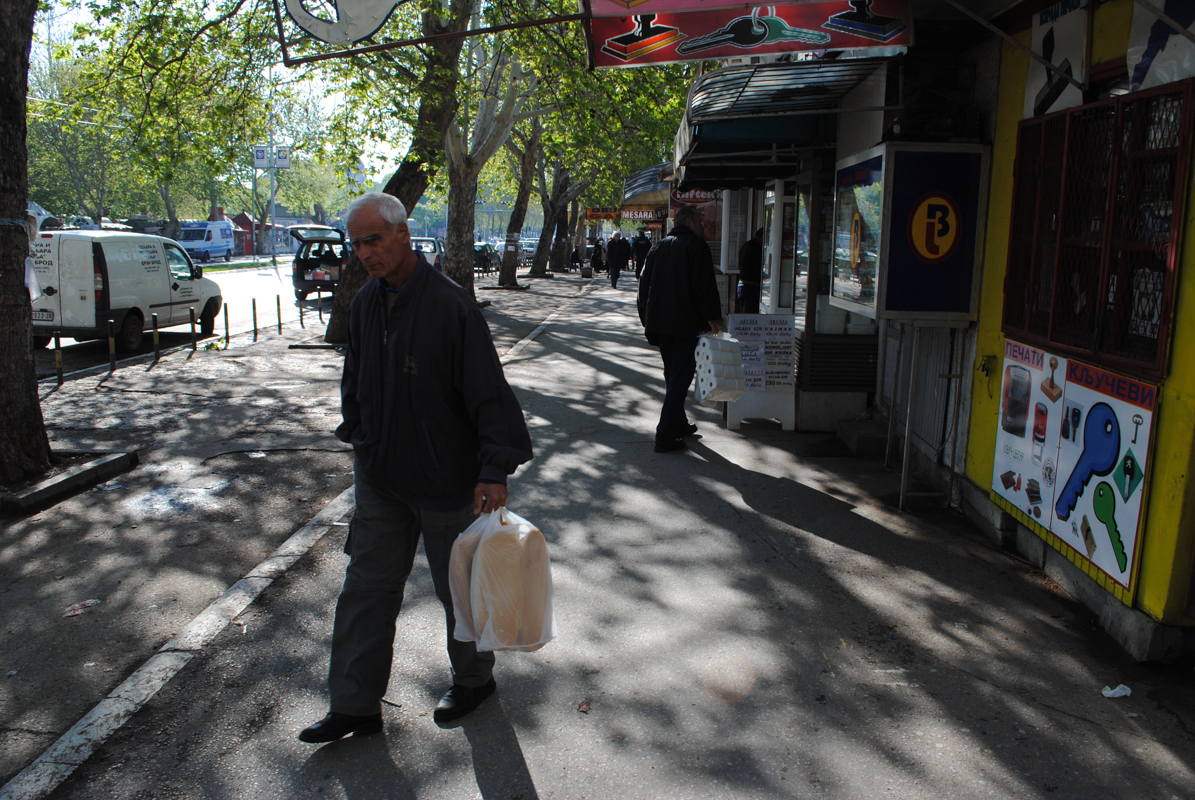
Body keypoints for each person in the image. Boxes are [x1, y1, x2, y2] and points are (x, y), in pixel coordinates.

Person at [299, 193, 534, 744]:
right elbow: (353, 385)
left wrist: (493, 470)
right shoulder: (363, 304)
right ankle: (354, 704)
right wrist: (360, 437)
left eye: (372, 240)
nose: (363, 253)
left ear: (403, 234)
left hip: (445, 479)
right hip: (381, 475)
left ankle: (474, 681)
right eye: (356, 243)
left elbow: (487, 394)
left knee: (460, 588)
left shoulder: (450, 306)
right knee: (366, 587)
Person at [637, 206, 723, 453]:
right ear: (689, 221)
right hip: (684, 325)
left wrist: (647, 318)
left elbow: (643, 285)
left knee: (672, 375)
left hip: (662, 324)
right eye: (700, 220)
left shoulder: (659, 246)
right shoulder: (695, 246)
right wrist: (713, 318)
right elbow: (703, 286)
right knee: (679, 378)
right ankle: (664, 434)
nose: (703, 224)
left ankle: (678, 423)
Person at [737, 227, 764, 314]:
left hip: (742, 283)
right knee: (750, 314)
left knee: (746, 311)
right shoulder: (756, 248)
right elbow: (757, 268)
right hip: (752, 286)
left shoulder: (745, 245)